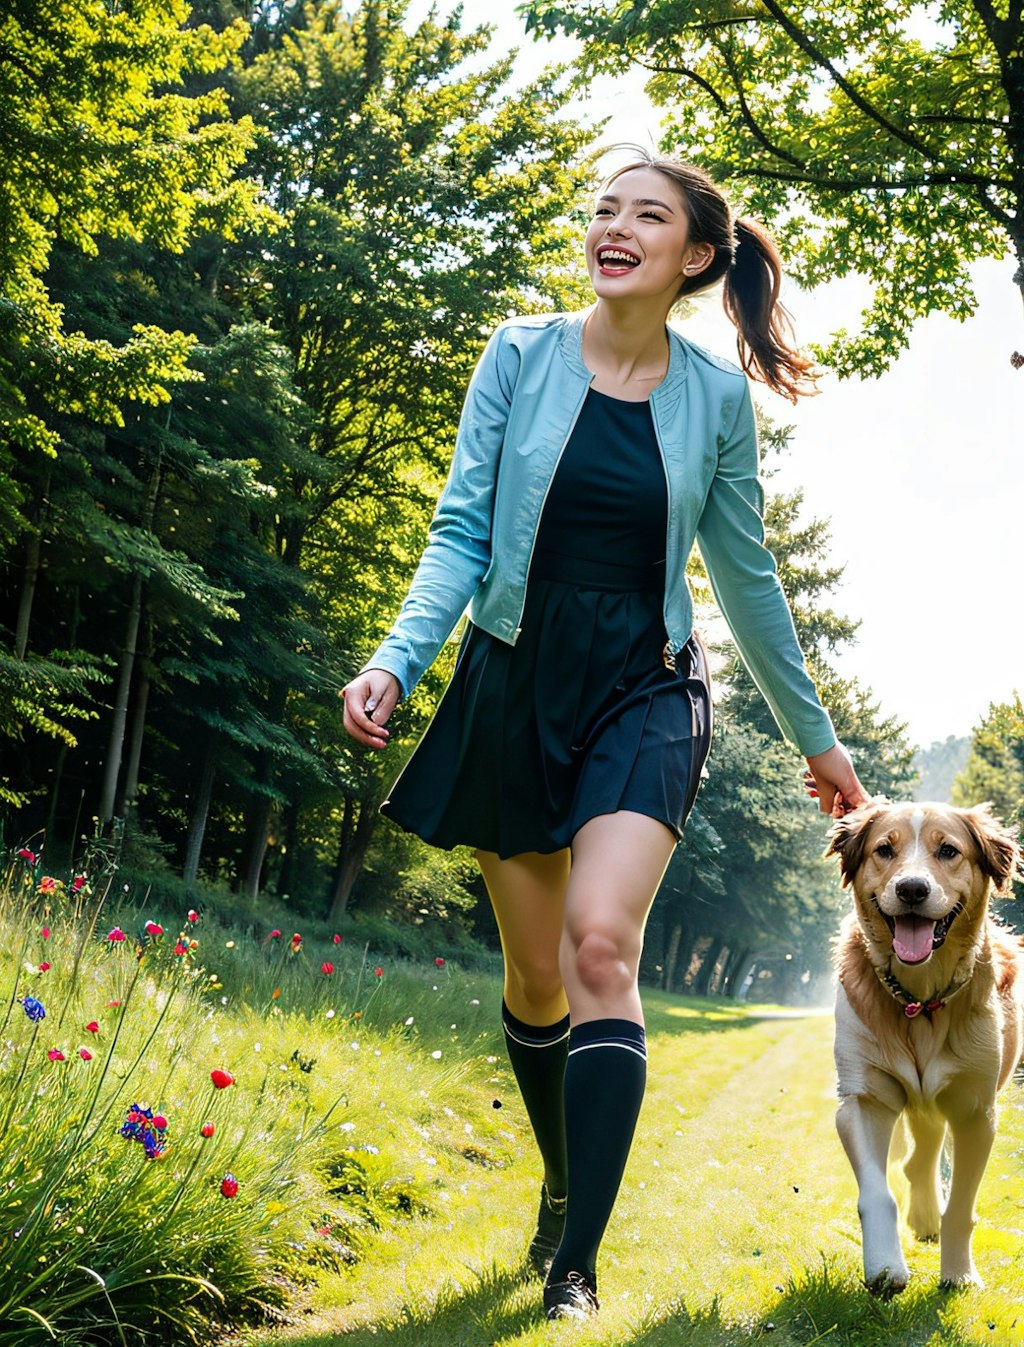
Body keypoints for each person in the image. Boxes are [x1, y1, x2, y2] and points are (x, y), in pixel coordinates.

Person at [342, 153, 868, 1319]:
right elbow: (461, 532)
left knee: (596, 950)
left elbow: (744, 577)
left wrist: (817, 741)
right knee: (535, 980)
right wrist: (396, 658)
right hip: (515, 682)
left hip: (647, 688)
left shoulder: (715, 401)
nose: (612, 227)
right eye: (603, 210)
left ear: (691, 258)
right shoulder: (518, 355)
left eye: (646, 215)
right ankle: (561, 1180)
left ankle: (576, 1265)